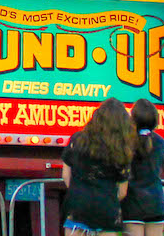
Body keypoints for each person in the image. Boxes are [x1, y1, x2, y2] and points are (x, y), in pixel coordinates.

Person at [61, 98, 136, 236]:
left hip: (77, 207)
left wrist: (77, 192)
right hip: (107, 210)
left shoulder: (77, 140)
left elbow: (66, 175)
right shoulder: (122, 149)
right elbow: (122, 192)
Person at [120, 99, 164, 236]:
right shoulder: (160, 142)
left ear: (133, 119)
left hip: (132, 205)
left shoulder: (126, 141)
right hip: (156, 204)